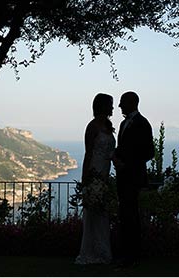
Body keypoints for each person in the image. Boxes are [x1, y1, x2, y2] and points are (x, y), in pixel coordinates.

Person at [112, 91, 155, 267]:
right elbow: (122, 147)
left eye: (122, 102)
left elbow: (149, 153)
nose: (120, 106)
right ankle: (126, 253)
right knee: (125, 214)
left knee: (131, 216)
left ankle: (132, 254)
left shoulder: (143, 124)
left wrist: (126, 164)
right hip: (123, 177)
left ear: (132, 103)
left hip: (133, 177)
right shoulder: (123, 123)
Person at [74, 93, 116, 265]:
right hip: (95, 173)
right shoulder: (92, 127)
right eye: (110, 105)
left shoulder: (107, 125)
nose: (113, 108)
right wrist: (86, 179)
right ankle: (91, 253)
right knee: (93, 214)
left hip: (105, 174)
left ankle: (102, 252)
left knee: (102, 214)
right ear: (102, 106)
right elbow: (88, 153)